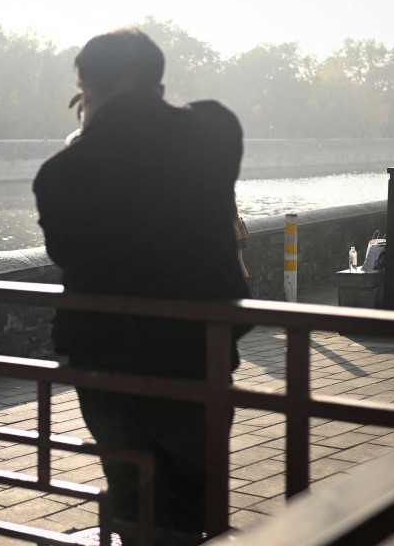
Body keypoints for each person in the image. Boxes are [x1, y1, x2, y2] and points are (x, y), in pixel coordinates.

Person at [33, 27, 250, 544]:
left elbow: (68, 255)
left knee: (130, 495)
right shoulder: (215, 132)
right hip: (195, 353)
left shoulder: (59, 174)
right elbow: (186, 117)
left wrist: (88, 129)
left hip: (105, 360)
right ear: (159, 84)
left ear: (85, 90)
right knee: (193, 500)